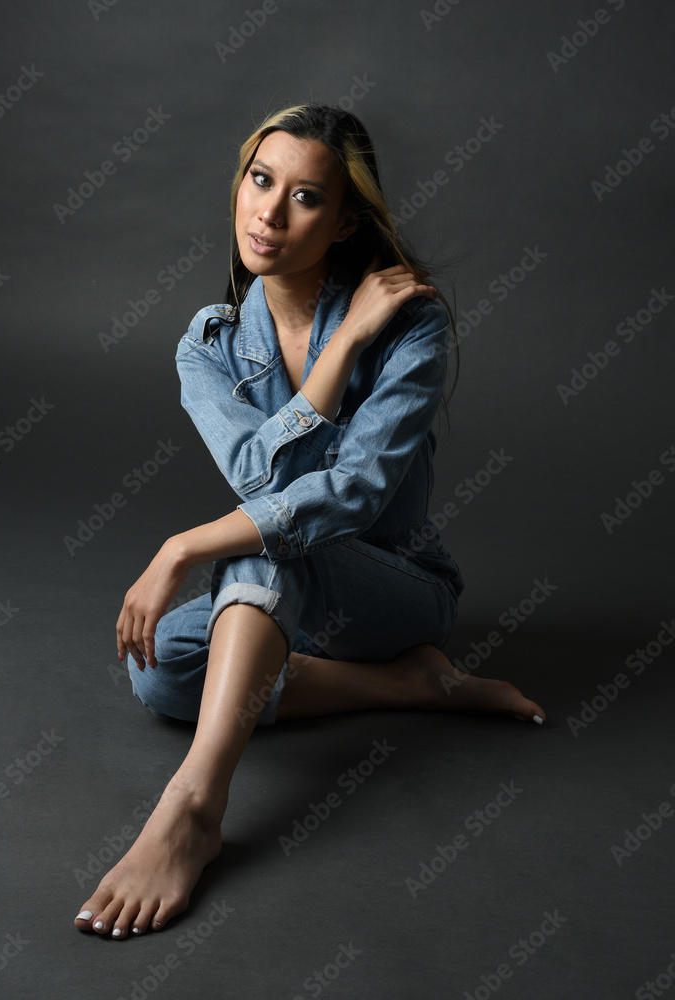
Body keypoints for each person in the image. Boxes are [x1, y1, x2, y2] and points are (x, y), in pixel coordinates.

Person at [74, 103, 545, 940]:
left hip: (396, 593)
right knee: (161, 676)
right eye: (261, 181)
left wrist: (182, 543)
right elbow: (258, 474)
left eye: (305, 197)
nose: (269, 211)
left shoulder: (411, 325)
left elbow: (351, 496)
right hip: (294, 611)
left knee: (266, 550)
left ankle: (192, 808)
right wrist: (332, 361)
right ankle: (411, 686)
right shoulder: (208, 346)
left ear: (345, 221)